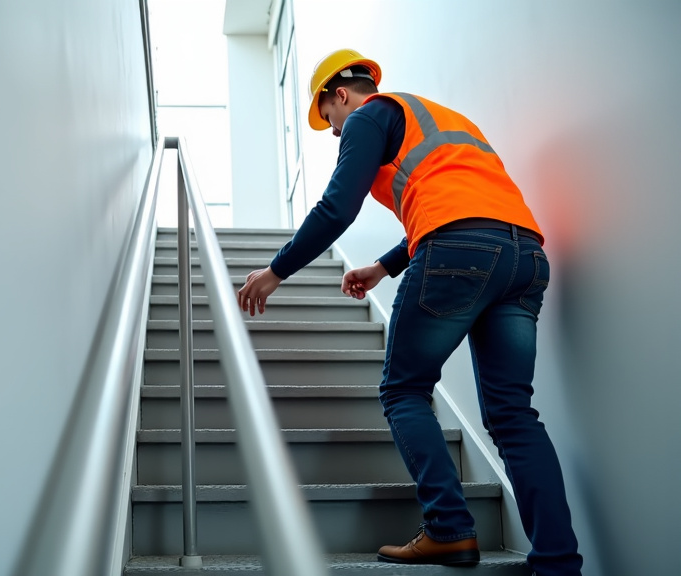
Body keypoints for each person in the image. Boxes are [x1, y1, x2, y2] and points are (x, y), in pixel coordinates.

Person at [235, 49, 583, 576]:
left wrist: (276, 271)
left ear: (340, 95)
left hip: (457, 251)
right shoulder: (442, 120)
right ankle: (559, 564)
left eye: (329, 119)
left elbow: (337, 206)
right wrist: (383, 266)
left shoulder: (369, 115)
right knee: (514, 416)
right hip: (525, 255)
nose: (334, 132)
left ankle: (448, 529)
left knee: (403, 390)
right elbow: (461, 203)